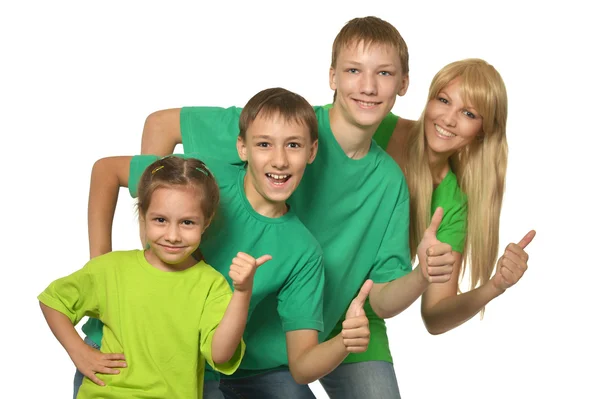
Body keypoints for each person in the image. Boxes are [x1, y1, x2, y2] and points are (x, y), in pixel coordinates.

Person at [133, 16, 455, 398]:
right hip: (197, 341)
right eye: (354, 71)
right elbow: (162, 125)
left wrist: (421, 276)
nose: (368, 86)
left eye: (384, 73)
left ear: (403, 84)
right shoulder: (285, 127)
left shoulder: (389, 185)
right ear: (332, 76)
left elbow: (382, 299)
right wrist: (153, 256)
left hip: (284, 355)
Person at [85, 87, 375, 399]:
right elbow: (107, 171)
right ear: (243, 147)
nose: (279, 161)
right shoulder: (204, 179)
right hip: (123, 349)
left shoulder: (303, 252)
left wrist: (345, 341)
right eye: (264, 144)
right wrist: (102, 268)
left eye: (293, 145)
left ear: (312, 151)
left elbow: (302, 365)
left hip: (203, 368)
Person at [322, 58, 537, 398]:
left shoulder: (451, 203)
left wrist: (494, 287)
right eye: (443, 100)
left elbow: (435, 316)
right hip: (300, 291)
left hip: (358, 314)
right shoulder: (377, 127)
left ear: (483, 129)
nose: (449, 119)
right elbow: (288, 133)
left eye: (469, 113)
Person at [38, 156, 247, 398]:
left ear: (206, 222)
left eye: (187, 222)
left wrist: (242, 293)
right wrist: (78, 351)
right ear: (143, 215)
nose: (172, 235)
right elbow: (53, 301)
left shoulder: (211, 284)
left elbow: (220, 355)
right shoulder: (111, 268)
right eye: (160, 220)